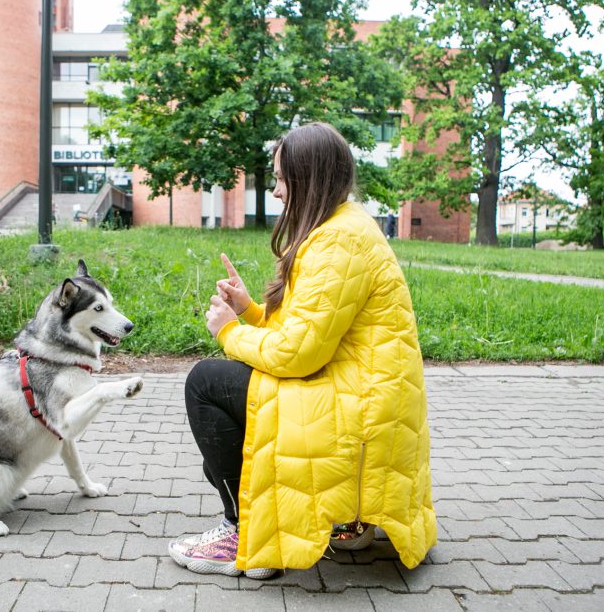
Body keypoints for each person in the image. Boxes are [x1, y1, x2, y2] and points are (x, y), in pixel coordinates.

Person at [168, 123, 437, 580]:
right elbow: (309, 331)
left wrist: (229, 332)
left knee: (206, 383)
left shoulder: (337, 240)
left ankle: (245, 535)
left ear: (308, 177)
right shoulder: (345, 227)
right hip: (366, 404)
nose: (275, 191)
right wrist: (251, 310)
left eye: (280, 178)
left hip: (357, 415)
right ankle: (350, 520)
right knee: (233, 387)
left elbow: (298, 355)